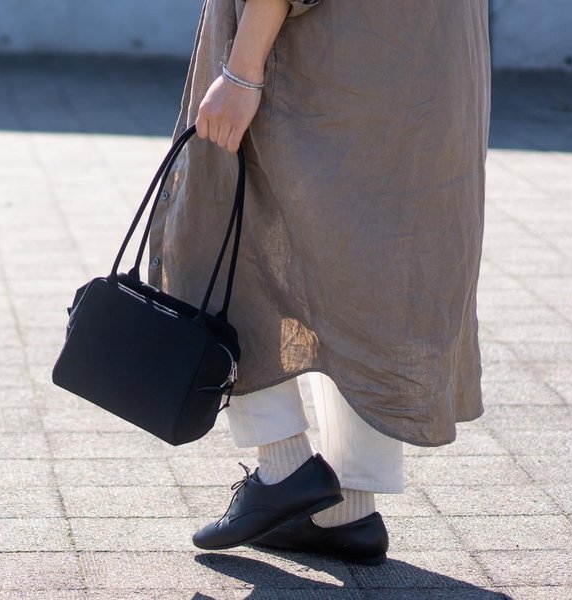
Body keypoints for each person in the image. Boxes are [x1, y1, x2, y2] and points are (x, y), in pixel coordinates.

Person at [146, 0, 491, 564]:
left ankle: (284, 469)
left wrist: (241, 68)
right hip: (430, 51)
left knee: (228, 235)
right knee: (374, 262)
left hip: (315, 52)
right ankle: (348, 510)